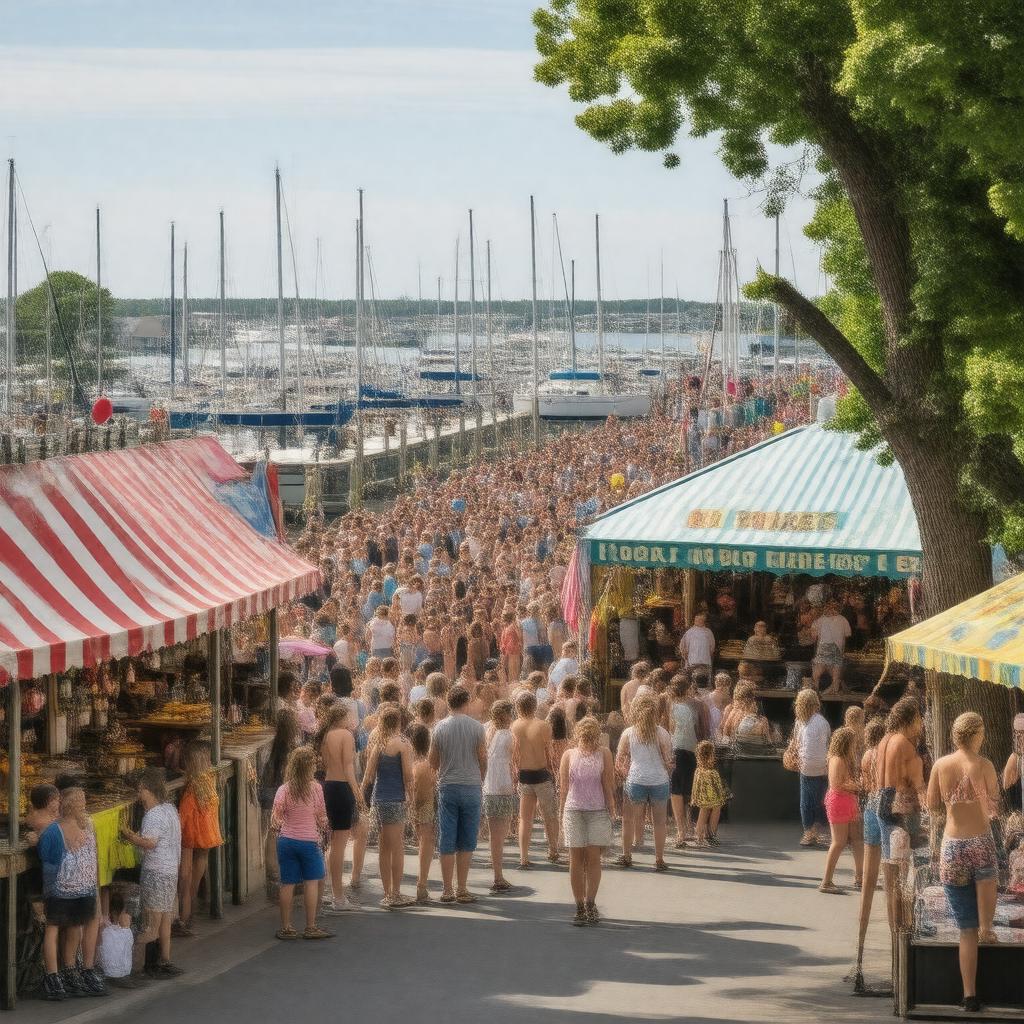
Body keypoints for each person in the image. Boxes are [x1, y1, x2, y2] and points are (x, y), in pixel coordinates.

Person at [926, 712, 1001, 1015]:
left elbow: (932, 805)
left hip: (953, 847)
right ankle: (1002, 986)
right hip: (980, 843)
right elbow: (994, 803)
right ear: (977, 735)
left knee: (966, 930)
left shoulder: (941, 765)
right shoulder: (985, 766)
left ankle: (969, 995)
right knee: (986, 928)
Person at [38, 787, 107, 1000]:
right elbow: (94, 858)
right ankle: (73, 970)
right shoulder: (89, 826)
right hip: (83, 889)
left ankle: (55, 976)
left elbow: (45, 856)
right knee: (75, 927)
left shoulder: (53, 831)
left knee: (54, 929)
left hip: (60, 889)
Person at [120, 768, 184, 979]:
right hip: (170, 872)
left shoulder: (154, 815)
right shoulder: (170, 809)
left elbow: (150, 842)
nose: (139, 796)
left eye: (140, 791)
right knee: (165, 919)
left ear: (147, 789)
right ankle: (164, 960)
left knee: (151, 926)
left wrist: (129, 836)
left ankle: (129, 964)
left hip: (156, 872)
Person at [429, 685, 487, 903]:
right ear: (467, 702)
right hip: (471, 785)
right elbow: (482, 757)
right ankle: (461, 888)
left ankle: (446, 889)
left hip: (448, 785)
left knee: (447, 838)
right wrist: (481, 777)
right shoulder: (477, 727)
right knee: (467, 839)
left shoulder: (439, 728)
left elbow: (433, 761)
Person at [271, 747, 333, 941]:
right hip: (308, 842)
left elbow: (276, 817)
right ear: (309, 768)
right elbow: (322, 818)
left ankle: (286, 927)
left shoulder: (284, 789)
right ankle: (310, 926)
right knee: (311, 882)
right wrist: (325, 828)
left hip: (286, 841)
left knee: (287, 883)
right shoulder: (316, 789)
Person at [875, 695, 926, 932]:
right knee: (906, 868)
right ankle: (904, 926)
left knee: (891, 866)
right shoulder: (905, 744)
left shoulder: (885, 739)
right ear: (912, 718)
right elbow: (918, 784)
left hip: (881, 802)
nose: (922, 724)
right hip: (901, 805)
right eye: (920, 718)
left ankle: (895, 925)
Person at [559, 716, 615, 926]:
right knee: (580, 860)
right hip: (575, 810)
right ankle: (582, 905)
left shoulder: (604, 753)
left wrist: (611, 808)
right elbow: (563, 787)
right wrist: (561, 812)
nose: (588, 739)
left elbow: (608, 782)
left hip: (595, 811)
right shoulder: (568, 755)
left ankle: (587, 904)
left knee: (589, 859)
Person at [363, 703, 415, 908]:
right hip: (395, 798)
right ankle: (395, 893)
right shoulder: (403, 743)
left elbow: (368, 776)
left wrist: (361, 799)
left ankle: (387, 893)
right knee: (397, 847)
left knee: (384, 848)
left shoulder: (378, 743)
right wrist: (411, 798)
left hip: (379, 799)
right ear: (399, 722)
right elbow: (408, 776)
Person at [616, 693, 674, 870]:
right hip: (659, 780)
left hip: (636, 779)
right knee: (659, 822)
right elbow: (669, 760)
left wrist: (626, 774)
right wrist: (667, 771)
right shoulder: (662, 733)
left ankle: (626, 855)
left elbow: (619, 759)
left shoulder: (629, 733)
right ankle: (659, 859)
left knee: (628, 820)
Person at [318, 702, 364, 914]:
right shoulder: (346, 736)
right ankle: (338, 896)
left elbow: (325, 763)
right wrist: (357, 792)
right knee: (339, 843)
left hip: (328, 786)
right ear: (343, 717)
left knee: (333, 843)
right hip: (342, 787)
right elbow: (348, 766)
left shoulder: (327, 736)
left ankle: (332, 891)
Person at [176, 740, 223, 937]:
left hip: (189, 838)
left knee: (185, 881)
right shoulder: (210, 782)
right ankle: (190, 913)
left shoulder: (189, 793)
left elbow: (182, 819)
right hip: (207, 836)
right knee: (194, 881)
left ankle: (183, 919)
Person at [511, 690, 560, 868]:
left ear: (518, 707)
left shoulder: (514, 726)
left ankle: (523, 857)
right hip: (542, 775)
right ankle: (553, 850)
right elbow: (551, 754)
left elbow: (514, 755)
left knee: (525, 818)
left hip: (524, 776)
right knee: (550, 815)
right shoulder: (543, 726)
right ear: (534, 706)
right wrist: (556, 772)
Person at [260, 708, 300, 898]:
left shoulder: (268, 744)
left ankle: (273, 874)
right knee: (284, 834)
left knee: (272, 834)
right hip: (283, 793)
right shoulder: (290, 748)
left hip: (268, 792)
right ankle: (282, 873)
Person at [819, 726, 863, 894]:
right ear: (846, 743)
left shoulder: (842, 758)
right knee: (838, 842)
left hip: (848, 801)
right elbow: (837, 784)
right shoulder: (837, 759)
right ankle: (826, 881)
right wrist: (858, 785)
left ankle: (860, 877)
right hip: (839, 802)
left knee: (857, 839)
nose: (855, 745)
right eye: (853, 743)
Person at [667, 675, 707, 848]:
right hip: (692, 750)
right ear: (688, 688)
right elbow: (700, 730)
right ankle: (690, 827)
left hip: (677, 749)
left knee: (676, 790)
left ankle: (681, 830)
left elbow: (672, 729)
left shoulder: (673, 706)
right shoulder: (695, 705)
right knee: (690, 789)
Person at [482, 699, 517, 894]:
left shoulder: (485, 730)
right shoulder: (508, 736)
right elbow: (515, 760)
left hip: (488, 786)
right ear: (506, 716)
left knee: (493, 835)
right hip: (503, 786)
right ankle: (498, 876)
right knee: (499, 836)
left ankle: (497, 873)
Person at [792, 688, 831, 847]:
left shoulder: (799, 722)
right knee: (820, 799)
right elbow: (827, 742)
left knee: (805, 801)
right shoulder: (822, 722)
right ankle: (819, 831)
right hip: (821, 766)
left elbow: (797, 743)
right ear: (816, 704)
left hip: (805, 766)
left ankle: (808, 833)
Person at [408, 723, 437, 904]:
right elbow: (423, 794)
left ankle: (420, 885)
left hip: (413, 807)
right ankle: (422, 885)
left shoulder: (410, 763)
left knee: (422, 844)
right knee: (426, 845)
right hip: (425, 807)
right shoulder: (426, 765)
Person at [691, 740, 729, 846]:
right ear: (712, 755)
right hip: (714, 798)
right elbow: (718, 787)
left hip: (702, 798)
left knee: (703, 812)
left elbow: (695, 786)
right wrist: (722, 798)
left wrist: (694, 797)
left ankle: (699, 835)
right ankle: (711, 835)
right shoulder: (713, 773)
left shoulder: (698, 771)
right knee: (716, 810)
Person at [811, 599, 852, 694]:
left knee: (818, 674)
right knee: (833, 673)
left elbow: (814, 637)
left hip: (829, 648)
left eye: (833, 608)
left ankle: (822, 691)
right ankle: (831, 689)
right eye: (830, 608)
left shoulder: (820, 620)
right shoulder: (842, 619)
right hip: (832, 649)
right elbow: (846, 636)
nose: (831, 610)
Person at [97, 890, 136, 988]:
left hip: (106, 972)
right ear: (123, 910)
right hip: (126, 971)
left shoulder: (103, 929)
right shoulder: (127, 931)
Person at [678, 613, 715, 682]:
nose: (699, 621)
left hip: (704, 662)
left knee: (704, 681)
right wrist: (685, 656)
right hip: (694, 662)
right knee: (693, 681)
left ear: (704, 621)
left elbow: (712, 648)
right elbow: (682, 646)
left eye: (701, 620)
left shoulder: (708, 632)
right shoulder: (689, 632)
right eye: (697, 620)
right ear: (695, 620)